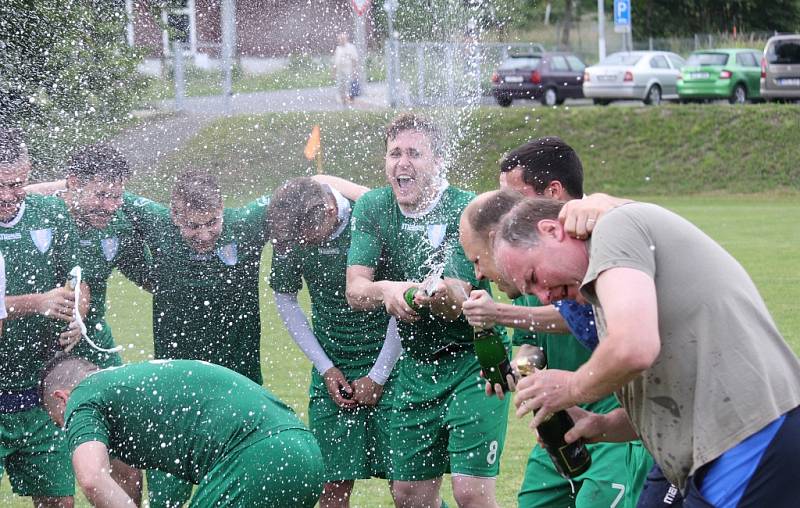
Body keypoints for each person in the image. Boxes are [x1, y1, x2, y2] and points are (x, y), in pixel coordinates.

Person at [496, 196, 800, 507]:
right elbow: (675, 398)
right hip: (731, 448)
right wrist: (601, 426)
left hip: (750, 441)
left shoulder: (613, 230)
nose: (544, 297)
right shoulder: (607, 290)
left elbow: (634, 348)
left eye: (534, 277)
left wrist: (571, 387)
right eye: (531, 291)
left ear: (551, 230)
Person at [459, 138, 652, 508]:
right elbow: (531, 345)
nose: (508, 213)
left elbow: (584, 320)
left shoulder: (601, 247)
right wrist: (522, 373)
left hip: (617, 424)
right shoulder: (533, 266)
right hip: (561, 425)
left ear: (553, 192)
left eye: (515, 197)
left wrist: (498, 313)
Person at [346, 113, 508, 508]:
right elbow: (356, 290)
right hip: (416, 367)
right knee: (409, 496)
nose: (402, 163)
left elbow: (457, 297)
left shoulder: (464, 208)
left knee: (469, 492)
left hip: (474, 361)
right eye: (394, 153)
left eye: (414, 154)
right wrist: (388, 290)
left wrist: (427, 294)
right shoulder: (373, 206)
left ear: (438, 162)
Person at [268, 177, 402, 508]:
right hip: (332, 368)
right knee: (329, 488)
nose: (305, 246)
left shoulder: (371, 216)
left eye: (312, 240)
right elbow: (284, 297)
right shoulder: (292, 224)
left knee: (408, 490)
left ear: (331, 211)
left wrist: (379, 374)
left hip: (394, 363)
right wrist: (325, 367)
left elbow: (404, 298)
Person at [40, 356, 325, 507]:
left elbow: (91, 478)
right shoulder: (122, 386)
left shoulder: (82, 395)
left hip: (257, 460)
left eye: (62, 424)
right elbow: (123, 476)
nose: (70, 431)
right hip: (303, 453)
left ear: (62, 398)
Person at [0, 127, 91, 508]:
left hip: (39, 394)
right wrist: (36, 302)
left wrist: (78, 316)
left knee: (58, 502)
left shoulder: (51, 213)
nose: (7, 196)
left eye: (17, 184)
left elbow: (78, 282)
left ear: (28, 171)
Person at [333, 33, 358, 105]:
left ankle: (350, 100)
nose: (341, 40)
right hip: (340, 71)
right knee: (341, 86)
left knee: (349, 85)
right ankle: (343, 100)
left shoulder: (351, 47)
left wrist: (354, 70)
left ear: (346, 39)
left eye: (342, 39)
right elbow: (335, 62)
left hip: (348, 69)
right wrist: (334, 72)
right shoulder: (338, 49)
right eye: (339, 39)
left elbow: (354, 59)